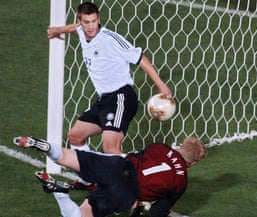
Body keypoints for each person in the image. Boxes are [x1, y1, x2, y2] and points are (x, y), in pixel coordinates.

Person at [48, 2, 172, 189]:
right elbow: (76, 28)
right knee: (75, 137)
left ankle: (144, 183)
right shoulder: (82, 30)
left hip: (121, 96)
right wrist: (59, 30)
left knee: (110, 148)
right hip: (104, 99)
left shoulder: (111, 39)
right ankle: (88, 178)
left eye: (94, 21)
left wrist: (161, 85)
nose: (91, 26)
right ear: (80, 21)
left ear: (99, 19)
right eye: (86, 22)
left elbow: (141, 59)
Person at [13, 135, 207, 217]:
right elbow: (157, 214)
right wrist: (155, 207)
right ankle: (60, 192)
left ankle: (45, 146)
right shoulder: (181, 182)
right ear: (193, 162)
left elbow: (140, 157)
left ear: (181, 145)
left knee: (65, 156)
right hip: (124, 192)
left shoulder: (161, 147)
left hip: (116, 165)